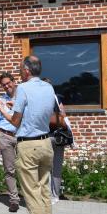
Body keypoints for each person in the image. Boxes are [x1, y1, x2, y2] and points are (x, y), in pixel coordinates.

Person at [0, 56, 61, 214]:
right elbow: (46, 112)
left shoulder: (23, 88)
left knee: (32, 195)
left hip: (28, 145)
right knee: (44, 193)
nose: (20, 72)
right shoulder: (48, 88)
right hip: (46, 143)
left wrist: (3, 109)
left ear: (26, 70)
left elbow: (15, 122)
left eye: (20, 69)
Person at [0, 72, 20, 212]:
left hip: (21, 136)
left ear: (14, 81)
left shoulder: (22, 97)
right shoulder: (0, 101)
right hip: (5, 136)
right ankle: (14, 200)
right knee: (9, 170)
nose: (6, 86)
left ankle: (30, 197)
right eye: (3, 85)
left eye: (8, 83)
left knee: (25, 168)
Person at [42, 77, 68, 205]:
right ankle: (55, 195)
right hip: (58, 136)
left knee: (45, 166)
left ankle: (47, 194)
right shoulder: (56, 98)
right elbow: (63, 115)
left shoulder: (39, 99)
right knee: (56, 166)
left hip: (46, 136)